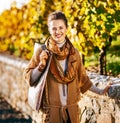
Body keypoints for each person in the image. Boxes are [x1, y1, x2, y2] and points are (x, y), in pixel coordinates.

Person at [24, 11, 110, 123]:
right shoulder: (42, 51)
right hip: (51, 113)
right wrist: (41, 66)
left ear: (66, 29)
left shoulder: (74, 53)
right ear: (49, 30)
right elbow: (29, 78)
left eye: (61, 27)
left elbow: (83, 79)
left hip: (72, 112)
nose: (58, 31)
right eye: (54, 28)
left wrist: (100, 91)